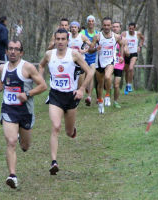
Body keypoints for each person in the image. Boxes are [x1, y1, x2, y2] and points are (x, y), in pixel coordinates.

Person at [0, 39, 47, 189]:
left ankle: (21, 137)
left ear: (21, 52)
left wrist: (28, 93)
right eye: (10, 49)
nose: (13, 51)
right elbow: (2, 82)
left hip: (25, 111)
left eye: (16, 49)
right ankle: (12, 175)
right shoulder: (2, 68)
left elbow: (43, 86)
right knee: (11, 142)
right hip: (9, 110)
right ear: (6, 51)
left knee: (25, 147)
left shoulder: (28, 68)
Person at [39, 28, 94, 175]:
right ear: (54, 40)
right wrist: (40, 81)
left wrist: (82, 89)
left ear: (67, 41)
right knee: (56, 126)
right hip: (55, 96)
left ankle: (72, 130)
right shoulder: (49, 54)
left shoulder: (74, 54)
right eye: (58, 39)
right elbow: (41, 65)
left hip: (71, 97)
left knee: (69, 132)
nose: (60, 42)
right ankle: (54, 162)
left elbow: (89, 72)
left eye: (63, 39)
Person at [90, 17, 124, 114]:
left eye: (108, 25)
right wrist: (96, 49)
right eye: (104, 25)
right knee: (100, 84)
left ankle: (108, 95)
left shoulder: (116, 37)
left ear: (111, 26)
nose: (106, 27)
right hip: (99, 62)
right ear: (102, 25)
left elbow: (122, 44)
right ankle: (100, 102)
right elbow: (90, 50)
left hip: (110, 61)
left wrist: (121, 56)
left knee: (108, 77)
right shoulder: (97, 37)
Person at [80, 15, 99, 106]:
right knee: (82, 76)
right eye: (89, 21)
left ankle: (89, 96)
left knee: (91, 75)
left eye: (92, 21)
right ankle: (81, 91)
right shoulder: (83, 32)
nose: (91, 23)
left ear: (94, 23)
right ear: (87, 23)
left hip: (93, 58)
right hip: (83, 58)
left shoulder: (97, 33)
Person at [121, 22, 144, 94]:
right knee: (126, 71)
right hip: (126, 54)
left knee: (131, 68)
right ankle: (127, 85)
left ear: (135, 28)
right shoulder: (124, 34)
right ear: (128, 28)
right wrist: (124, 48)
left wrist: (139, 46)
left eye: (132, 28)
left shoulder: (138, 34)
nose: (131, 30)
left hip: (134, 54)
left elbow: (142, 39)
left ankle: (129, 84)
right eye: (130, 28)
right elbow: (120, 41)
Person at [68, 21, 92, 88]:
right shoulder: (68, 36)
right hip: (70, 62)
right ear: (70, 28)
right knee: (71, 82)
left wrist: (84, 51)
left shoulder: (82, 37)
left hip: (80, 62)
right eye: (72, 27)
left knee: (80, 84)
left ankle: (80, 94)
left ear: (78, 28)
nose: (73, 29)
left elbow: (92, 46)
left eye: (75, 27)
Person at [112, 22, 129, 108]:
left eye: (117, 27)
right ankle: (103, 98)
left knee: (116, 84)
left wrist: (126, 52)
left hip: (119, 64)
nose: (115, 28)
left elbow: (128, 53)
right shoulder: (108, 38)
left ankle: (115, 101)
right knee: (104, 81)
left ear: (120, 28)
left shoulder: (124, 39)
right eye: (114, 27)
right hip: (108, 62)